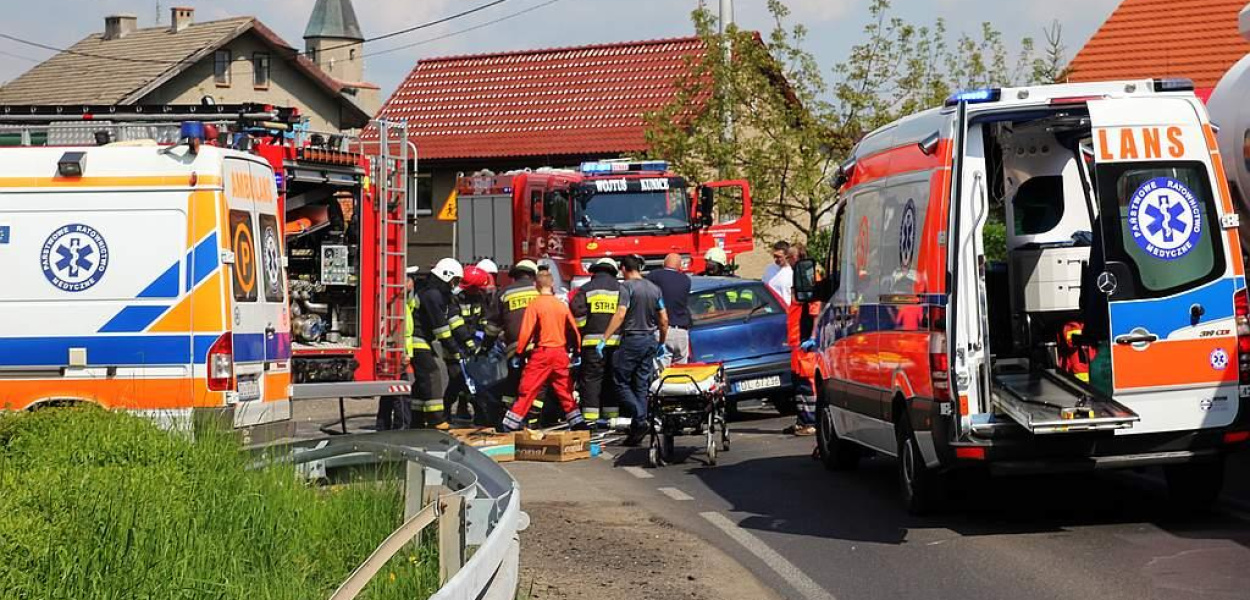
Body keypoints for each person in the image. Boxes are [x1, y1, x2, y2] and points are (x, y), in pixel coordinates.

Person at [501, 270, 587, 432]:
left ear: (536, 285)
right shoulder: (560, 305)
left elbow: (526, 331)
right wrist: (576, 350)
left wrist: (519, 353)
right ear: (552, 284)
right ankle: (577, 423)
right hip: (560, 354)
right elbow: (573, 330)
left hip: (542, 354)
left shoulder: (535, 304)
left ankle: (509, 424)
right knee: (565, 390)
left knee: (528, 389)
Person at [601, 255, 668, 444]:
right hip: (649, 340)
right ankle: (639, 427)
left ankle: (640, 418)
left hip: (632, 340)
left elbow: (621, 314)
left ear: (623, 269)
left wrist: (604, 338)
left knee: (620, 380)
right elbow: (664, 319)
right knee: (641, 384)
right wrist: (661, 342)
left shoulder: (626, 287)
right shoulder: (655, 289)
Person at [412, 258, 476, 429]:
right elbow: (442, 329)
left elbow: (454, 322)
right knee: (433, 374)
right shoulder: (432, 295)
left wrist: (468, 342)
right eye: (455, 280)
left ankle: (416, 419)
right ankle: (436, 420)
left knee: (422, 380)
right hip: (416, 339)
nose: (455, 285)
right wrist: (455, 350)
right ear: (446, 276)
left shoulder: (441, 295)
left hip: (423, 340)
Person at [483, 260, 540, 425]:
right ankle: (533, 418)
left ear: (514, 277)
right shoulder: (539, 292)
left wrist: (486, 346)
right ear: (533, 276)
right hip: (537, 347)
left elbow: (493, 326)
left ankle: (507, 416)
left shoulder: (504, 293)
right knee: (536, 384)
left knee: (513, 382)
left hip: (514, 348)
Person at [570, 257, 622, 426]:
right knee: (611, 379)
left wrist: (585, 329)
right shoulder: (621, 289)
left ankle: (590, 420)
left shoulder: (586, 289)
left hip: (592, 344)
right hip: (616, 344)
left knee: (592, 380)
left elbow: (578, 315)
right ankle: (612, 418)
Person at [443, 264, 493, 425]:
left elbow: (484, 319)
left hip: (472, 347)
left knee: (474, 381)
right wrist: (469, 342)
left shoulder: (479, 297)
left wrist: (484, 337)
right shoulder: (454, 299)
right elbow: (456, 325)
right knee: (456, 381)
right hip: (454, 348)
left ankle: (478, 414)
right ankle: (445, 411)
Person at [378, 267, 419, 430]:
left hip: (397, 352)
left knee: (388, 394)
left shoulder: (403, 302)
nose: (412, 282)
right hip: (398, 354)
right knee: (401, 394)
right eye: (409, 278)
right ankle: (401, 428)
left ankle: (382, 428)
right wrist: (405, 354)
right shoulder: (397, 305)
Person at [784, 244, 818, 436]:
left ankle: (811, 421)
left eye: (790, 257)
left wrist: (813, 336)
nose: (789, 261)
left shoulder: (808, 277)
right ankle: (803, 419)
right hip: (796, 339)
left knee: (807, 381)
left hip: (804, 338)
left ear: (799, 257)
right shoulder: (800, 277)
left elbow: (815, 309)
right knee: (798, 381)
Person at [646, 253, 692, 365]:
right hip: (682, 333)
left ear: (663, 264)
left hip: (663, 331)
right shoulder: (686, 280)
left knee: (662, 373)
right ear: (679, 266)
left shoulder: (654, 276)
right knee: (681, 373)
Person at [762, 240, 793, 305]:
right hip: (770, 310)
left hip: (786, 311)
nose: (776, 259)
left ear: (786, 256)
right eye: (774, 256)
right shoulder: (769, 269)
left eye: (779, 257)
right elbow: (763, 290)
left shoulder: (791, 272)